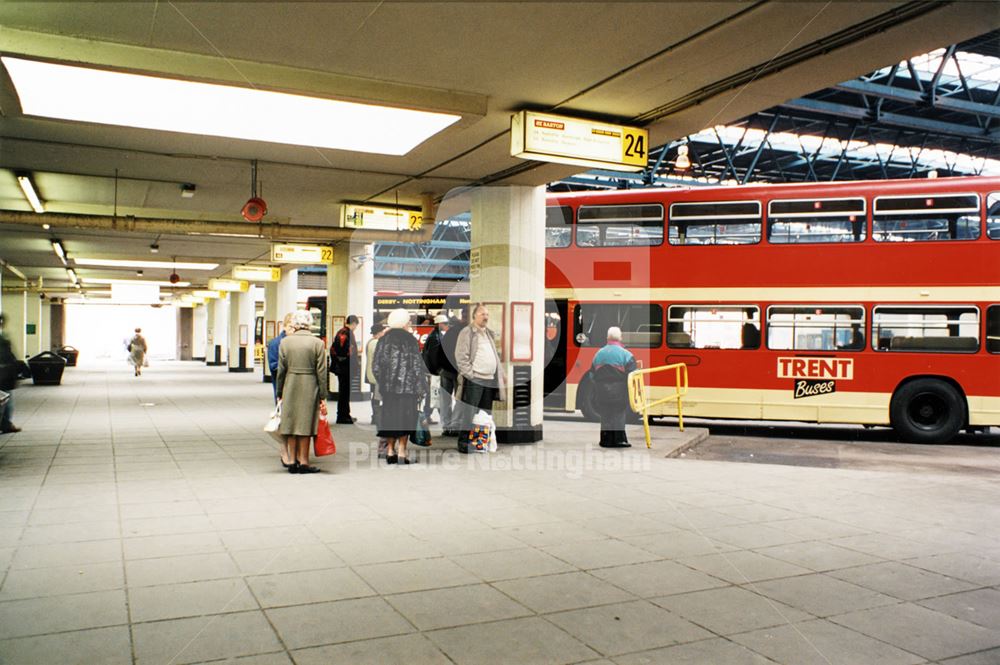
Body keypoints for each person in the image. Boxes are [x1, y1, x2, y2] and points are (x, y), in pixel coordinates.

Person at [371, 308, 426, 465]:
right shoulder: (410, 340)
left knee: (390, 418)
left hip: (389, 390)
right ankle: (402, 452)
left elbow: (376, 366)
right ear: (403, 323)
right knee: (406, 419)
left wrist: (383, 383)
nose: (410, 324)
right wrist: (421, 386)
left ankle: (390, 451)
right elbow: (417, 367)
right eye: (408, 321)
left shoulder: (383, 340)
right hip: (408, 390)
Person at [276, 310, 328, 474]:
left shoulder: (286, 342)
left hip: (290, 383)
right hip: (310, 384)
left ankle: (292, 461)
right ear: (309, 323)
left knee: (291, 423)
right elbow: (322, 372)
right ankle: (304, 462)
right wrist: (323, 395)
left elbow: (281, 370)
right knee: (306, 425)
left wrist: (279, 391)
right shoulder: (317, 343)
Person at [454, 303, 505, 452]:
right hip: (475, 379)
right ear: (474, 316)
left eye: (487, 314)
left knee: (484, 413)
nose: (486, 317)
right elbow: (461, 357)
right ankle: (464, 444)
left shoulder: (489, 333)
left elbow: (495, 356)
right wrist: (470, 374)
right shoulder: (467, 332)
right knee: (470, 412)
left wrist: (500, 373)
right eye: (482, 314)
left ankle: (479, 443)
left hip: (489, 379)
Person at [591, 326, 637, 448]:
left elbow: (592, 374)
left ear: (607, 338)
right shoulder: (627, 355)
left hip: (601, 392)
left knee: (605, 414)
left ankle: (605, 440)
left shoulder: (598, 354)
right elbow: (632, 375)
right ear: (620, 338)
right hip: (619, 391)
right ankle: (619, 440)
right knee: (618, 413)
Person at [440, 312, 467, 437]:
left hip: (445, 369)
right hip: (458, 371)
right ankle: (455, 424)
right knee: (460, 398)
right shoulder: (466, 332)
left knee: (445, 399)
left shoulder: (450, 332)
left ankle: (446, 425)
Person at [330, 315, 359, 424]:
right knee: (344, 392)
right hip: (345, 368)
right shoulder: (347, 333)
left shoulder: (341, 332)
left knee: (344, 392)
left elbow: (334, 350)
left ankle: (345, 414)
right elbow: (348, 352)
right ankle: (343, 416)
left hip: (341, 367)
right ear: (354, 323)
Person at [420, 313, 448, 424]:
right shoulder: (436, 337)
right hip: (434, 371)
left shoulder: (435, 335)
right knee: (434, 394)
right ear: (439, 323)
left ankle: (428, 416)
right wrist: (437, 370)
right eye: (445, 323)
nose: (446, 325)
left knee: (434, 394)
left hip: (431, 370)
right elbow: (434, 356)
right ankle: (426, 416)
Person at [0, 313, 21, 434]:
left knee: (6, 400)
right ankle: (6, 424)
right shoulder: (3, 339)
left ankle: (6, 423)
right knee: (7, 400)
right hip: (3, 374)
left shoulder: (3, 337)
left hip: (5, 373)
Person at [267, 313, 294, 402]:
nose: (293, 330)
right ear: (284, 327)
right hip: (283, 387)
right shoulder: (275, 344)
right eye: (290, 327)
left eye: (295, 328)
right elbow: (273, 366)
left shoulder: (298, 343)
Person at [365, 323, 387, 427]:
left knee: (375, 395)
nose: (384, 333)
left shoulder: (370, 342)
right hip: (375, 375)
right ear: (378, 333)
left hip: (370, 373)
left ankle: (375, 416)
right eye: (382, 331)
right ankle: (376, 417)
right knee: (376, 396)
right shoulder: (376, 343)